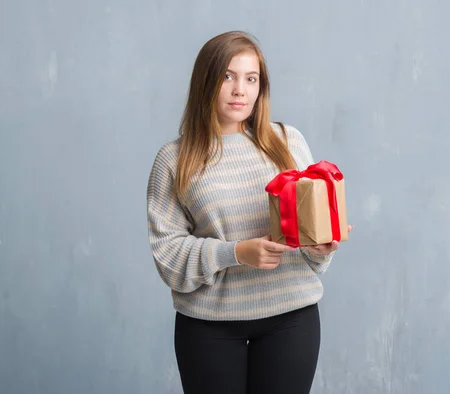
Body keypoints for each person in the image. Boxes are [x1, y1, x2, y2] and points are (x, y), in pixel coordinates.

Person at [146, 31, 353, 394]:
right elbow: (169, 257)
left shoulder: (288, 142)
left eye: (251, 78)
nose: (240, 89)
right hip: (209, 326)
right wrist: (236, 252)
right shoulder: (174, 159)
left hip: (291, 318)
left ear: (261, 87)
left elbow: (308, 240)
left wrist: (320, 247)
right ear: (205, 81)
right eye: (228, 76)